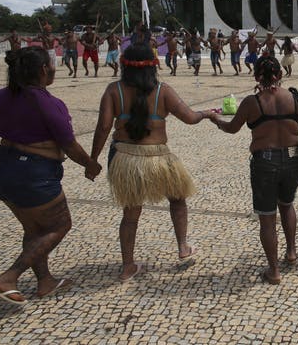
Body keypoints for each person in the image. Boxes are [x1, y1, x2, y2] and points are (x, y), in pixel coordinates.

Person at [0, 47, 100, 306]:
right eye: (51, 64)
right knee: (60, 225)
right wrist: (90, 165)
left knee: (34, 228)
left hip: (1, 172)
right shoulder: (49, 103)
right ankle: (9, 277)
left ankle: (45, 280)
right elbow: (70, 146)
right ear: (42, 70)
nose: (54, 68)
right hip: (33, 175)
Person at [89, 43, 214, 281]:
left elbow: (104, 126)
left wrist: (92, 159)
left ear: (125, 66)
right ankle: (183, 247)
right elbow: (189, 117)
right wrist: (206, 114)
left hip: (124, 158)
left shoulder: (113, 90)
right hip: (158, 156)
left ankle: (128, 265)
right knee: (178, 200)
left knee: (131, 213)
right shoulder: (163, 90)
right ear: (153, 67)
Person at [210, 56, 298, 283]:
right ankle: (291, 252)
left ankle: (274, 271)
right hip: (293, 159)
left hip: (265, 162)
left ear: (257, 76)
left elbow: (231, 128)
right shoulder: (295, 98)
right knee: (287, 205)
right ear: (280, 75)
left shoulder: (252, 102)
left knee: (267, 218)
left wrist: (215, 119)